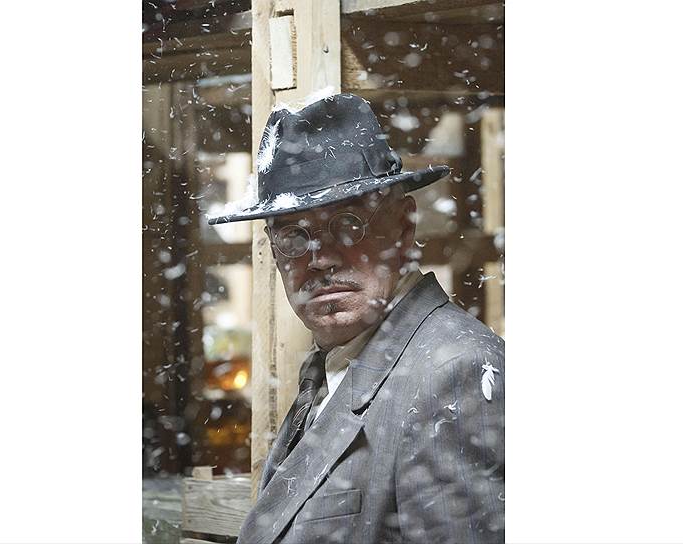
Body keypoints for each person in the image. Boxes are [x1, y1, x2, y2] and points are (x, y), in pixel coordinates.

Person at [208, 93, 504, 543]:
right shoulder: (335, 363)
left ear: (403, 228)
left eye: (347, 225)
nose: (320, 258)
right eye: (293, 236)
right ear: (273, 248)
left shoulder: (455, 371)